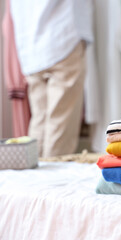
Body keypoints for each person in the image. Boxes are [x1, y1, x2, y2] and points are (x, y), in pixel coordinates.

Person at [10, 0, 93, 157]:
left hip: (30, 47)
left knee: (39, 120)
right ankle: (56, 177)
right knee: (60, 123)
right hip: (63, 38)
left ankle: (34, 177)